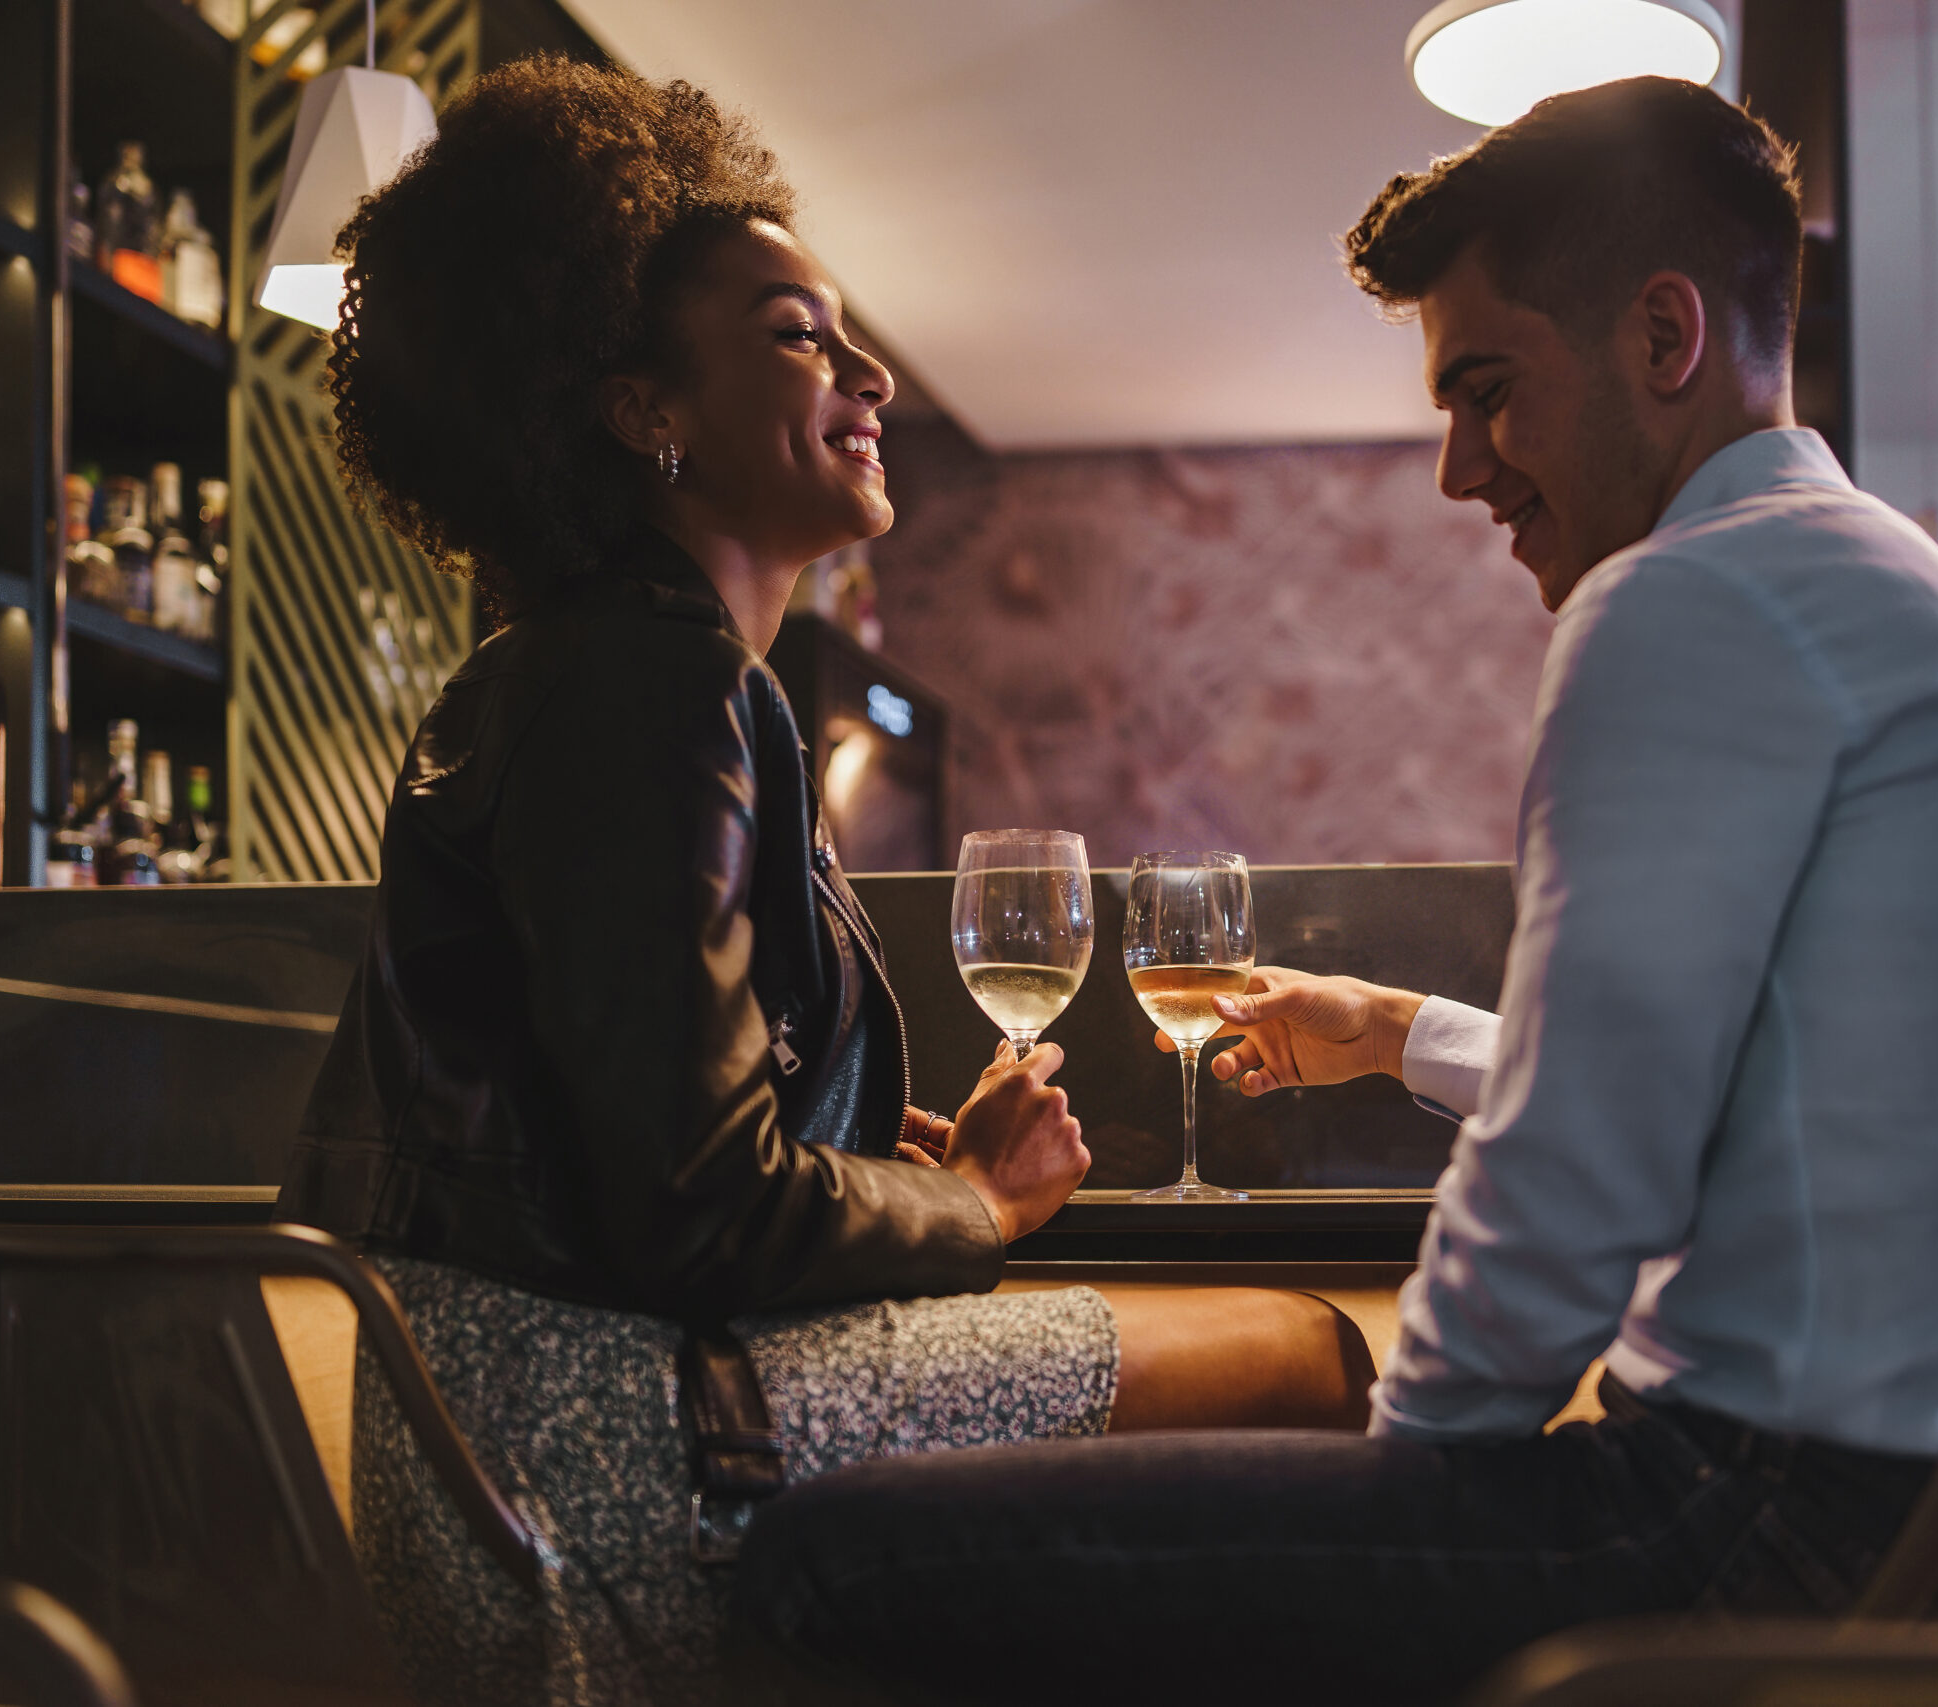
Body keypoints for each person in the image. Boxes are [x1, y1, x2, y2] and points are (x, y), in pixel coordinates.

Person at [736, 76, 1938, 1703]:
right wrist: (1400, 1028)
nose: (1458, 469)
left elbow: (1579, 1179)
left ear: (1665, 337)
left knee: (828, 1560)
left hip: (1759, 1529)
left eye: (1489, 392)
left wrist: (1390, 1497)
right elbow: (1739, 1100)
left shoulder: (1685, 603)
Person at [278, 56, 1372, 1707]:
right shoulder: (652, 688)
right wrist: (979, 1204)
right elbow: (696, 1208)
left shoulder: (584, 673)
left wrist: (862, 1154)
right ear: (643, 409)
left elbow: (630, 1141)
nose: (868, 369)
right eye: (800, 333)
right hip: (596, 1470)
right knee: (1306, 1354)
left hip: (509, 1446)